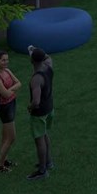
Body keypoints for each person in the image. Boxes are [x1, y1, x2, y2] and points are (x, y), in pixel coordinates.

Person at [26, 45, 55, 181]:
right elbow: (48, 57)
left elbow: (36, 101)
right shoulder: (49, 66)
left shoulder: (36, 79)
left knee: (39, 140)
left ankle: (42, 171)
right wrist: (36, 49)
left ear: (31, 61)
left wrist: (30, 107)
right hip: (50, 108)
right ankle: (48, 162)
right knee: (44, 135)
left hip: (40, 112)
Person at [0, 50, 21, 173]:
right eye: (3, 60)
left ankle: (4, 160)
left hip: (11, 104)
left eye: (7, 59)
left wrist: (10, 89)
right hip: (5, 109)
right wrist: (13, 89)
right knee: (12, 138)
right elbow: (7, 94)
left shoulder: (7, 71)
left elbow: (20, 83)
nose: (6, 62)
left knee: (4, 137)